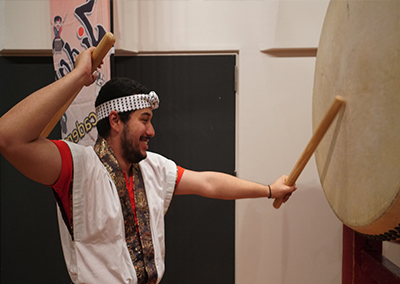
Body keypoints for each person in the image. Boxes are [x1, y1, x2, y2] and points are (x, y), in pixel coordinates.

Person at [0, 47, 297, 284]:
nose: (152, 131)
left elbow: (209, 183)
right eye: (144, 119)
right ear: (116, 121)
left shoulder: (153, 168)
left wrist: (270, 190)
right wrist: (78, 76)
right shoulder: (76, 167)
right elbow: (8, 137)